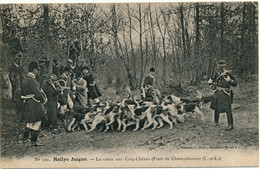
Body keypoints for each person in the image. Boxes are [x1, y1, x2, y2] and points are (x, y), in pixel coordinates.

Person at [21, 61, 47, 146]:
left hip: (28, 102)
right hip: (34, 102)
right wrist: (43, 100)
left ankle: (25, 140)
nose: (38, 72)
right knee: (37, 121)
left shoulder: (25, 79)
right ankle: (33, 141)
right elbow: (37, 93)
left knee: (30, 122)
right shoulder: (32, 80)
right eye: (37, 70)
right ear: (35, 70)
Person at [208, 60, 237, 131]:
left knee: (228, 109)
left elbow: (235, 83)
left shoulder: (228, 74)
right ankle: (216, 122)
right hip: (218, 93)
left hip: (226, 93)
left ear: (225, 66)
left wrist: (230, 81)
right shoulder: (217, 74)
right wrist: (210, 82)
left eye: (222, 66)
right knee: (216, 107)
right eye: (220, 66)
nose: (221, 68)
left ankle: (230, 124)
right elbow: (212, 81)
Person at [9, 50, 24, 115]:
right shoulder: (12, 67)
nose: (19, 58)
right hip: (16, 86)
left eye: (20, 57)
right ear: (14, 57)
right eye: (18, 56)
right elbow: (11, 77)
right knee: (17, 98)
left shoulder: (19, 67)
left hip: (20, 85)